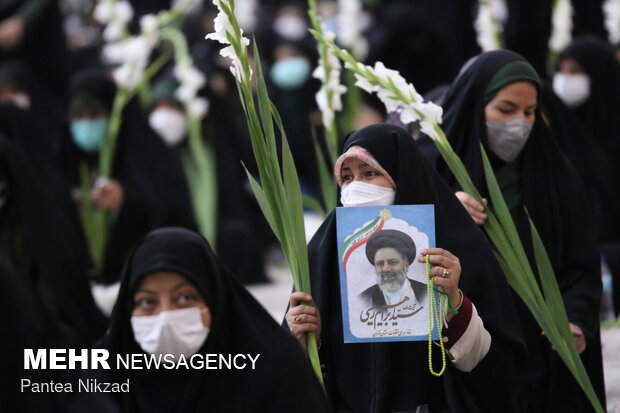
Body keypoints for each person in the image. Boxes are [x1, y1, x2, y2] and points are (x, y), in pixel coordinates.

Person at [286, 123, 527, 412]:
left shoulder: (457, 248)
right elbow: (294, 372)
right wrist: (304, 336)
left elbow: (499, 372)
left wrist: (454, 302)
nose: (355, 187)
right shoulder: (322, 253)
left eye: (370, 173)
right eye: (347, 177)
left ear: (403, 175)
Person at [431, 49, 605, 411]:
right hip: (468, 359)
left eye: (529, 112)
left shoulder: (555, 179)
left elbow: (581, 268)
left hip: (542, 357)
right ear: (474, 106)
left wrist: (575, 318)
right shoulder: (435, 176)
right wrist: (444, 209)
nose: (520, 124)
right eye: (506, 110)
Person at [102, 227, 329, 412]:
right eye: (147, 302)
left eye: (185, 298)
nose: (165, 316)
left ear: (215, 298)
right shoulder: (101, 375)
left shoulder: (274, 372)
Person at [59, 69, 196, 289]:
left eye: (94, 115)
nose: (85, 124)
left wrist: (127, 200)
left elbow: (173, 209)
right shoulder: (65, 159)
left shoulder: (147, 151)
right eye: (78, 116)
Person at [359, 229, 427, 309]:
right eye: (380, 264)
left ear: (406, 264)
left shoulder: (426, 292)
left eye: (392, 262)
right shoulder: (364, 298)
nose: (386, 269)